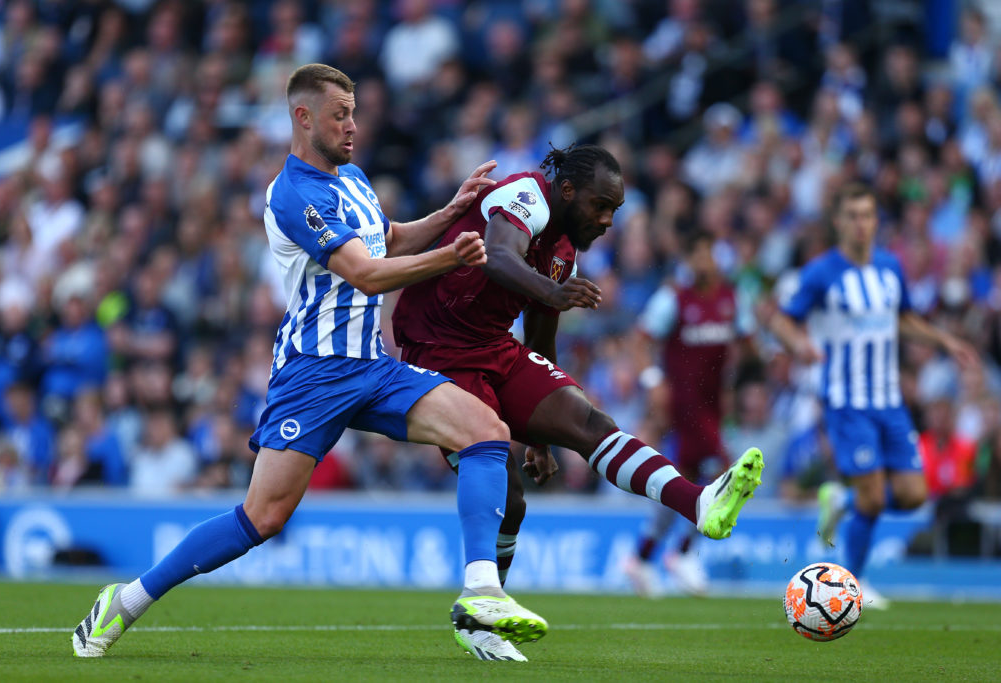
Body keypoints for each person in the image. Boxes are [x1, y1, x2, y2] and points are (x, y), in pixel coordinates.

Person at [73, 63, 547, 657]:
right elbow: (367, 274)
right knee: (261, 519)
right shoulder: (293, 192)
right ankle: (127, 601)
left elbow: (386, 240)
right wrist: (454, 258)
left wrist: (452, 211)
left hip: (371, 367)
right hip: (313, 374)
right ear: (304, 118)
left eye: (353, 113)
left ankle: (479, 598)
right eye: (339, 114)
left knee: (486, 430)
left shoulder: (351, 178)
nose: (352, 125)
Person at [392, 144, 764, 660]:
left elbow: (542, 336)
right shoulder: (525, 193)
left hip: (496, 345)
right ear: (567, 191)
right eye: (600, 205)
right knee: (511, 500)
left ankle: (697, 502)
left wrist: (542, 435)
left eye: (615, 209)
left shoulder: (565, 249)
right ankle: (479, 616)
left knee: (588, 422)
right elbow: (498, 256)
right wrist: (551, 290)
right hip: (439, 353)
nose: (608, 219)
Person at [766, 182, 978, 610]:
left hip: (891, 402)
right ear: (839, 221)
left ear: (876, 221)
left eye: (867, 215)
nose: (861, 224)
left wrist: (944, 341)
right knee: (876, 497)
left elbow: (902, 319)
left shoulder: (888, 267)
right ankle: (854, 583)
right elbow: (781, 322)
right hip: (847, 402)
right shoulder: (822, 272)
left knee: (915, 494)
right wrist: (800, 345)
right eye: (852, 215)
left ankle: (840, 499)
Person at [624, 230, 748, 598]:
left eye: (708, 255)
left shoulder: (731, 298)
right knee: (724, 470)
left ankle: (641, 557)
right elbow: (639, 340)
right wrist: (653, 382)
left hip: (712, 405)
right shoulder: (673, 299)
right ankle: (684, 552)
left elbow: (744, 342)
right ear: (688, 261)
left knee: (686, 481)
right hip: (684, 402)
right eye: (696, 256)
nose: (703, 262)